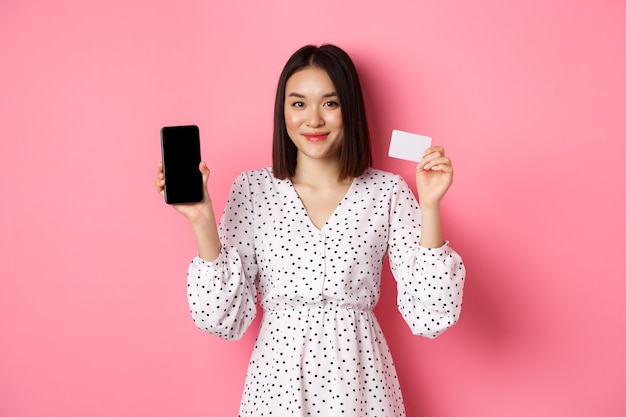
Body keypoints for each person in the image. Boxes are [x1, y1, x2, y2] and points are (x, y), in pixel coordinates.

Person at [156, 44, 465, 416]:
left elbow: (432, 313)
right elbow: (221, 317)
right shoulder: (253, 190)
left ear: (349, 109)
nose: (313, 120)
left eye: (330, 104)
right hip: (277, 387)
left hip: (361, 385)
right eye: (299, 104)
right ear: (282, 111)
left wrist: (430, 205)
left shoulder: (387, 191)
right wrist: (202, 219)